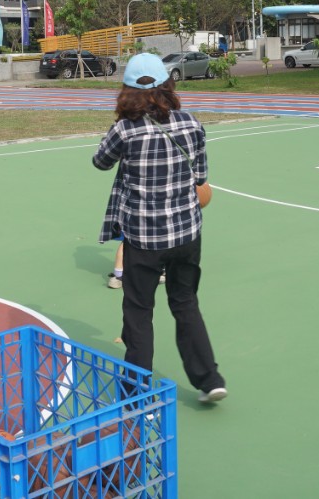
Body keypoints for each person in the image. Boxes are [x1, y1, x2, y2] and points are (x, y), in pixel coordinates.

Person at [92, 53, 227, 405]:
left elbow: (100, 161)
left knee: (139, 311)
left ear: (127, 91)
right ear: (168, 84)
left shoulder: (125, 130)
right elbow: (200, 177)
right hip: (186, 232)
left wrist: (120, 126)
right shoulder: (191, 123)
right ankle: (209, 379)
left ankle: (136, 394)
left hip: (144, 237)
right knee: (185, 303)